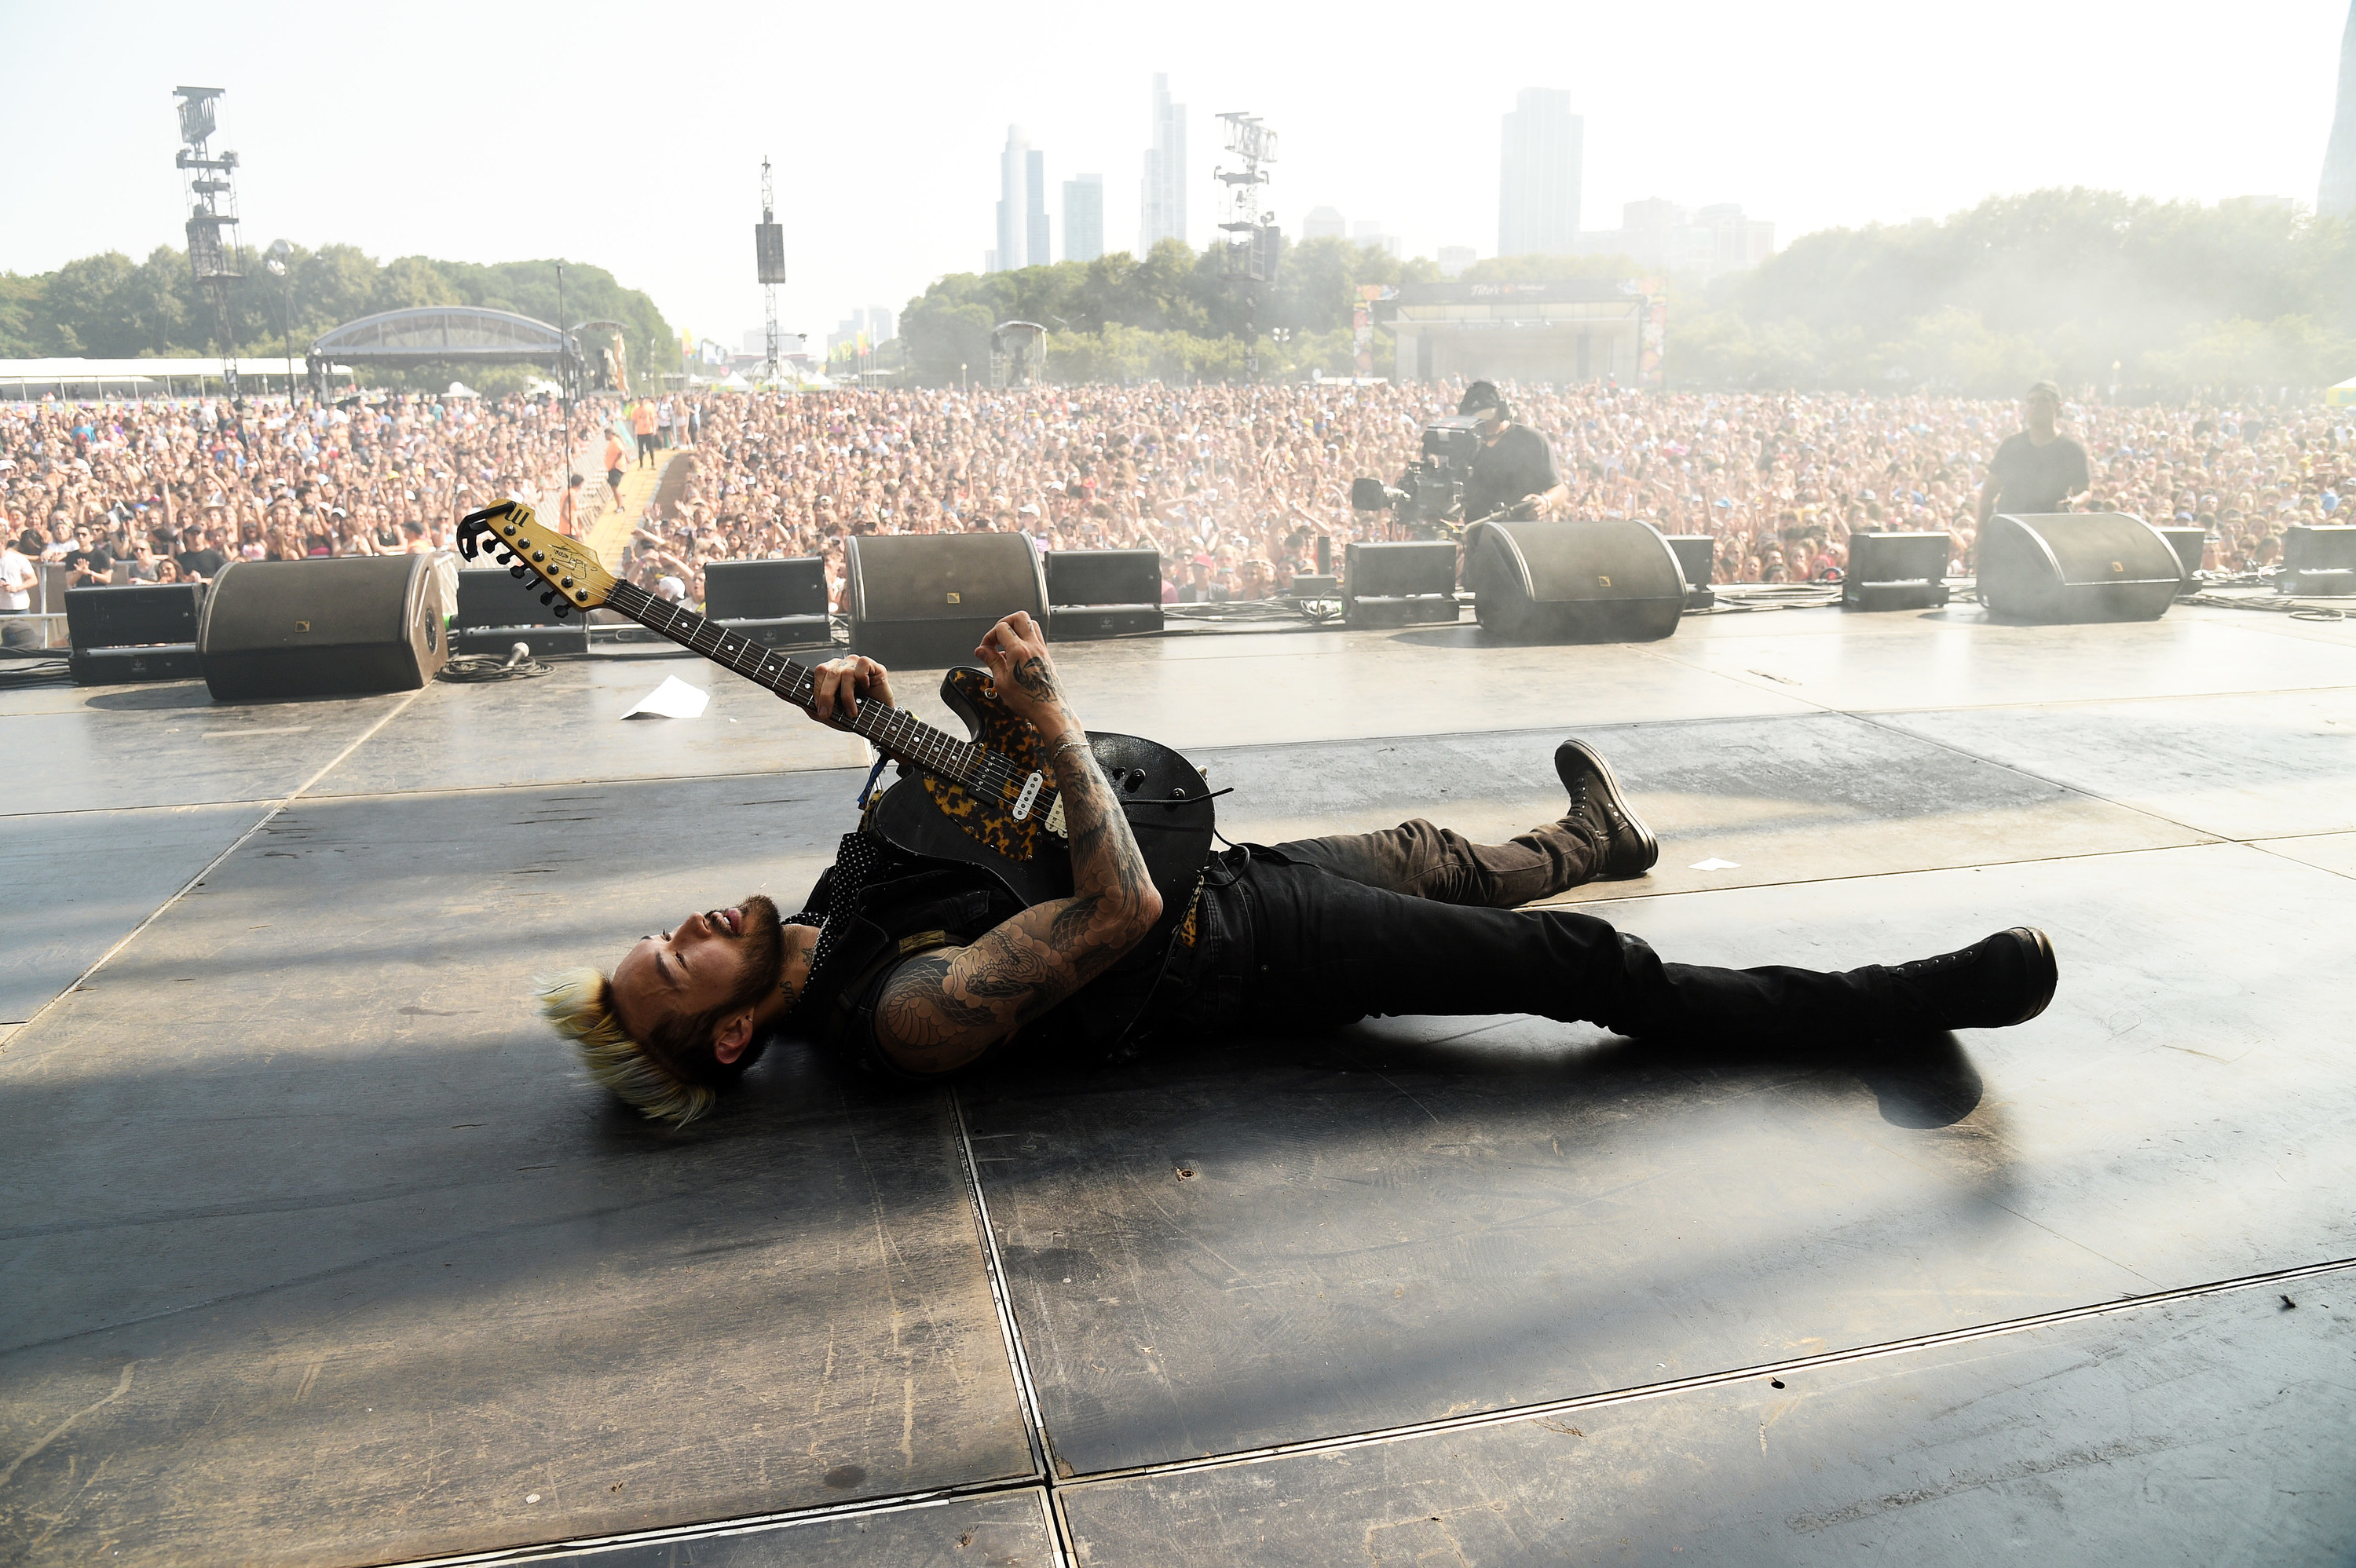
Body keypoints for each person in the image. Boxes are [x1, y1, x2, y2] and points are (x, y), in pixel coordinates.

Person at [540, 614, 2061, 1127]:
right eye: (671, 965)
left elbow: (989, 820)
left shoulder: (828, 909)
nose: (675, 928)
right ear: (732, 1032)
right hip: (1247, 946)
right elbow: (1111, 905)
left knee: (1436, 854)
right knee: (1581, 974)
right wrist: (1051, 714)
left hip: (1232, 870)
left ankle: (1604, 839)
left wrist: (895, 714)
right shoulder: (892, 1014)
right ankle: (1886, 1003)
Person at [1977, 382, 2091, 524]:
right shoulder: (2011, 446)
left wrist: (2074, 502)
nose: (2036, 406)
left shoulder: (2071, 449)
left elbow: (2085, 492)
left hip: (2049, 528)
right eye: (2031, 401)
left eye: (2044, 400)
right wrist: (1981, 532)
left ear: (2058, 406)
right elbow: (1988, 493)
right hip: (2010, 528)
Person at [1460, 381, 1568, 522]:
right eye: (1475, 417)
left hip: (1521, 536)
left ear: (1502, 410)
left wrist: (1545, 502)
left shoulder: (1532, 441)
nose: (1481, 422)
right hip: (1476, 536)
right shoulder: (1462, 444)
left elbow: (1560, 489)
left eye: (1487, 416)